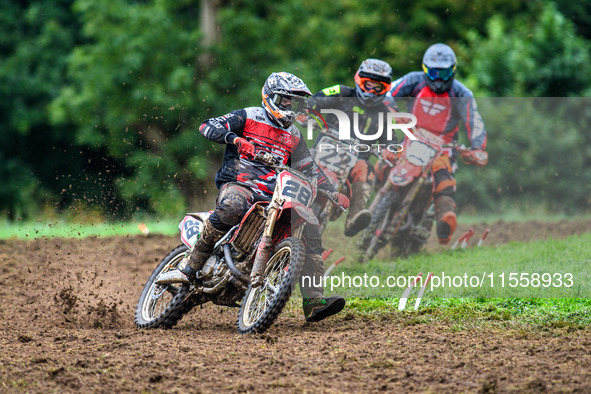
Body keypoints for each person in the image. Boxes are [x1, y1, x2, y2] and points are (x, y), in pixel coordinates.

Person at [175, 72, 350, 322]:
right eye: (285, 101)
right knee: (234, 206)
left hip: (274, 194)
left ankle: (313, 300)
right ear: (270, 97)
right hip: (240, 184)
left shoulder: (294, 135)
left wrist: (332, 191)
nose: (290, 108)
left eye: (295, 103)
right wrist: (235, 139)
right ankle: (192, 265)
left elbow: (309, 167)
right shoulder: (248, 116)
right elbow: (207, 126)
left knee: (311, 227)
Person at [386, 43, 488, 244]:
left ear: (453, 71)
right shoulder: (414, 80)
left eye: (444, 73)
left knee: (444, 180)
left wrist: (478, 148)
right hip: (411, 140)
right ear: (425, 70)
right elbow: (388, 93)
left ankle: (445, 221)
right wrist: (393, 112)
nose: (439, 79)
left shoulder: (461, 93)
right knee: (383, 163)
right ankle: (379, 204)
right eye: (433, 73)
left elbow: (474, 121)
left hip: (442, 149)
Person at [306, 58, 398, 237]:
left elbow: (390, 140)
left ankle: (354, 217)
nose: (371, 91)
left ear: (385, 88)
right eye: (368, 85)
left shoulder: (384, 114)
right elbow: (313, 101)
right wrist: (306, 113)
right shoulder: (342, 92)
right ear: (359, 80)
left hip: (354, 163)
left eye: (377, 87)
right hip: (324, 150)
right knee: (299, 157)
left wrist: (390, 150)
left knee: (365, 169)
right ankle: (273, 196)